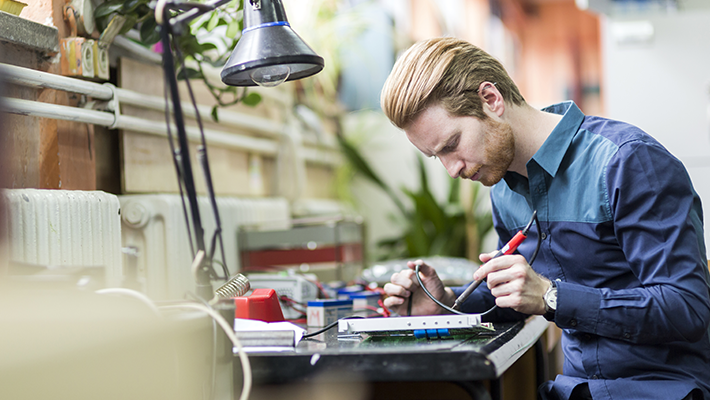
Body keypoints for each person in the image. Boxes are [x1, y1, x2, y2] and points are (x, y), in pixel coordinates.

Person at [380, 37, 710, 400]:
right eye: (436, 157)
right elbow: (516, 295)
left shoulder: (627, 162)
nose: (452, 169)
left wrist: (553, 297)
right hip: (574, 391)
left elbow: (687, 308)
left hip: (664, 390)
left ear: (491, 100)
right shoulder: (503, 188)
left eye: (451, 144)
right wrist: (446, 302)